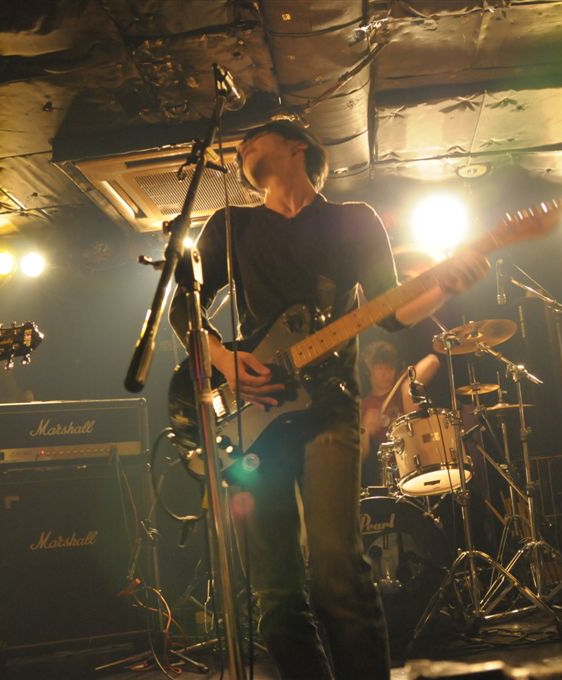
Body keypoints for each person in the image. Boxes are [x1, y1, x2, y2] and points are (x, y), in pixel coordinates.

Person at [169, 119, 489, 678]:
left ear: (299, 146)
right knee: (274, 585)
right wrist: (223, 361)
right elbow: (184, 310)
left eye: (257, 136)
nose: (242, 145)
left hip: (330, 410)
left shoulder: (352, 220)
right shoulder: (232, 224)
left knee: (337, 570)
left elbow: (393, 311)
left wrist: (445, 284)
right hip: (257, 414)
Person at [359, 340, 440, 487]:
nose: (386, 372)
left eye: (390, 367)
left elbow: (432, 360)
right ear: (369, 369)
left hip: (422, 459)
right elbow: (361, 455)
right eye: (380, 367)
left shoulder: (402, 383)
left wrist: (406, 390)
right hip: (392, 473)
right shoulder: (365, 406)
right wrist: (365, 429)